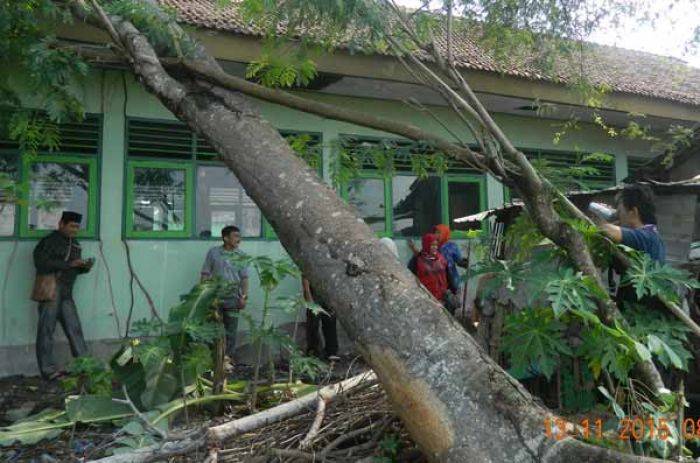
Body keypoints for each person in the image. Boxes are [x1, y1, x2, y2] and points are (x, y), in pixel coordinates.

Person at [33, 211, 93, 380]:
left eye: (77, 227)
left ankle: (85, 368)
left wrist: (83, 267)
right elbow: (40, 263)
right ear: (61, 224)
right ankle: (48, 371)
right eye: (72, 226)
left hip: (66, 291)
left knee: (75, 329)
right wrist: (69, 264)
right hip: (52, 290)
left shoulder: (75, 243)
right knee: (46, 330)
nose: (75, 230)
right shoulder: (50, 241)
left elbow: (71, 268)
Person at [201, 225, 249, 371]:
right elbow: (205, 274)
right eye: (235, 236)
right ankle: (214, 360)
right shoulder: (213, 253)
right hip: (214, 298)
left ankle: (227, 361)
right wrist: (203, 296)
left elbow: (245, 278)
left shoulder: (241, 255)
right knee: (213, 330)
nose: (238, 240)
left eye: (239, 236)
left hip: (233, 298)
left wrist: (244, 297)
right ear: (225, 238)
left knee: (231, 332)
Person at [595, 183, 666, 264]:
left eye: (620, 211)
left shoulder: (647, 237)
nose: (618, 215)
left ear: (633, 212)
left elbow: (607, 230)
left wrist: (604, 219)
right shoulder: (651, 235)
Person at [302, 277, 339, 361]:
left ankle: (331, 352)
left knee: (331, 321)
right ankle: (313, 353)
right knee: (313, 323)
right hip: (314, 294)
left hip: (328, 292)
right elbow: (305, 276)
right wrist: (307, 293)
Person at [409, 233, 449, 304]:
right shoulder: (417, 260)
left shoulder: (440, 258)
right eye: (432, 245)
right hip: (426, 299)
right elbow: (410, 278)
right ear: (426, 245)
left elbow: (447, 275)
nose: (435, 247)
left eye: (436, 245)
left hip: (442, 299)